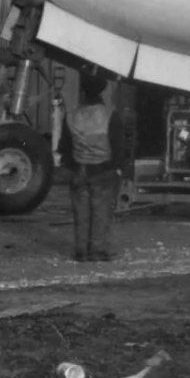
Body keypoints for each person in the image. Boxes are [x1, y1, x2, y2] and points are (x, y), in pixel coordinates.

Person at [65, 77, 125, 262]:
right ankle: (98, 251)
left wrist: (73, 167)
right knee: (101, 212)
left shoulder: (71, 115)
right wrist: (119, 168)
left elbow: (65, 147)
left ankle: (81, 251)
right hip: (103, 170)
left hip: (79, 169)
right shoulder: (109, 115)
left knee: (81, 214)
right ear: (102, 93)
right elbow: (118, 145)